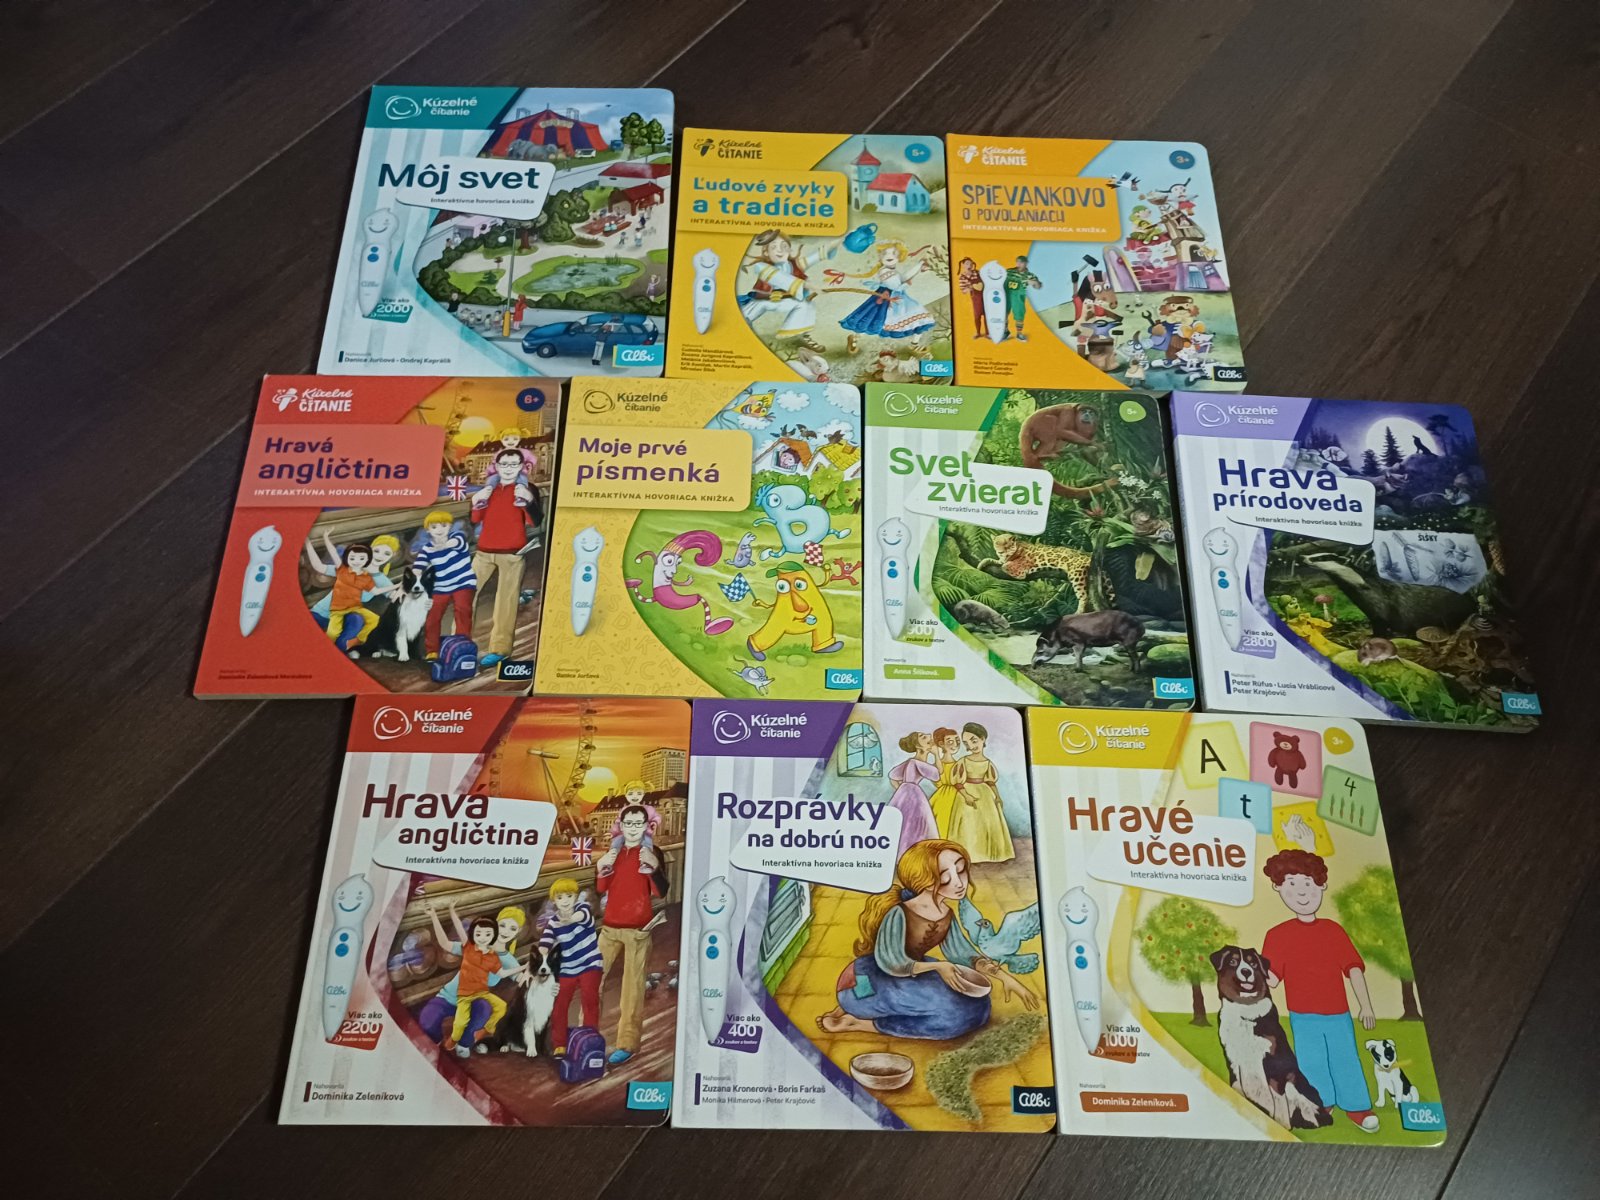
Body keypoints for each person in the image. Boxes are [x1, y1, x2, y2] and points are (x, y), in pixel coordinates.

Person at [817, 840, 1038, 1038]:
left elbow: (963, 955)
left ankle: (864, 1016)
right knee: (955, 1017)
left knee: (979, 1007)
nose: (959, 882)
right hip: (867, 982)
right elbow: (891, 962)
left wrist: (1005, 978)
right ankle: (858, 1022)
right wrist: (939, 967)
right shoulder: (900, 913)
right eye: (946, 877)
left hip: (916, 973)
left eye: (961, 870)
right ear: (924, 880)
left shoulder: (945, 913)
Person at [1261, 849, 1381, 1133]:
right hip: (1302, 1016)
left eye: (1308, 883)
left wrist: (1366, 1005)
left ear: (1322, 886)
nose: (1302, 892)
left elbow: (1353, 969)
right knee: (1311, 1062)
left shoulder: (1333, 931)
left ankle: (1358, 1107)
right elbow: (1272, 980)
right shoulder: (1277, 935)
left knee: (1345, 1058)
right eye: (1291, 884)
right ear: (1278, 888)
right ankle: (1320, 1104)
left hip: (1338, 1013)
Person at [595, 802, 664, 1064]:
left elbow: (661, 892)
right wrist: (600, 868)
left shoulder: (651, 852)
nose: (633, 828)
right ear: (621, 826)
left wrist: (654, 867)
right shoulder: (613, 852)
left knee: (632, 990)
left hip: (638, 931)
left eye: (638, 823)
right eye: (629, 823)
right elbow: (601, 888)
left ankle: (627, 1043)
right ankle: (587, 1034)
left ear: (646, 826)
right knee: (591, 982)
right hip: (609, 928)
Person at [418, 901, 527, 1057]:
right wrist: (434, 916)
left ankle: (464, 1042)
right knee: (427, 1021)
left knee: (484, 1010)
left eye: (513, 928)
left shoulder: (507, 960)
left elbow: (521, 978)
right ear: (495, 924)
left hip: (474, 1000)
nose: (506, 931)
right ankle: (436, 1043)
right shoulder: (474, 946)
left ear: (519, 931)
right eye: (503, 925)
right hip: (448, 996)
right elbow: (446, 944)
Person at [470, 449, 542, 667]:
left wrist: (528, 501)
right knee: (464, 597)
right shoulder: (489, 489)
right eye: (504, 464)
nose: (508, 468)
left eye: (513, 464)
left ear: (521, 467)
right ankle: (459, 643)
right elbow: (475, 519)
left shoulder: (528, 489)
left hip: (512, 554)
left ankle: (499, 650)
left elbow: (535, 522)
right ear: (497, 466)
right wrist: (475, 502)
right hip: (483, 552)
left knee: (506, 603)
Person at [739, 229, 835, 353]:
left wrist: (837, 242)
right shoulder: (761, 267)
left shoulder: (793, 265)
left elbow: (816, 256)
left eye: (784, 246)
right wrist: (811, 286)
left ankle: (803, 335)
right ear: (766, 252)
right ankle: (741, 330)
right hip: (764, 299)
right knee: (745, 314)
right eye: (774, 247)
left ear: (789, 249)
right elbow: (779, 277)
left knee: (806, 305)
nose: (780, 250)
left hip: (785, 300)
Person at [306, 532, 400, 650]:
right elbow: (319, 567)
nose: (380, 556)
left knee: (359, 620)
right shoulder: (350, 568)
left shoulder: (382, 580)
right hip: (321, 613)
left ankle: (343, 647)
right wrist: (308, 544)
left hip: (346, 615)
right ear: (370, 549)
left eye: (387, 553)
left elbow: (395, 596)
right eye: (377, 551)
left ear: (393, 555)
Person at [540, 880, 604, 1053]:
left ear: (575, 897)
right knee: (559, 1005)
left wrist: (569, 919)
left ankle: (591, 1039)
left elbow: (582, 916)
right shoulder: (552, 922)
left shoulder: (583, 908)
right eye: (560, 897)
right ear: (554, 900)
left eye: (569, 896)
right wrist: (539, 960)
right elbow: (544, 945)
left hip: (590, 963)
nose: (565, 901)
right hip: (567, 968)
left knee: (589, 1000)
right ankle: (559, 1044)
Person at [839, 241, 935, 348]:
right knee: (872, 321)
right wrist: (907, 283)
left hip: (897, 297)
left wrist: (919, 265)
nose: (889, 256)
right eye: (885, 253)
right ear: (880, 257)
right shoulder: (884, 271)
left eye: (894, 253)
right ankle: (855, 338)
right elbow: (896, 286)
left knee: (918, 314)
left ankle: (914, 344)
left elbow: (904, 278)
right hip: (886, 299)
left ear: (900, 257)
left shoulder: (893, 271)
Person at [946, 722, 1015, 864]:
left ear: (982, 739)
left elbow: (991, 782)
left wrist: (998, 797)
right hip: (967, 793)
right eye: (967, 743)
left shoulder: (988, 763)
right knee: (969, 824)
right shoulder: (963, 761)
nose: (971, 746)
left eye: (974, 740)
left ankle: (989, 854)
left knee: (989, 823)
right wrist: (966, 795)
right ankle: (969, 855)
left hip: (985, 795)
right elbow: (957, 782)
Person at [415, 510, 475, 660]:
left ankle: (462, 643)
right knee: (432, 616)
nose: (439, 530)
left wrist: (444, 545)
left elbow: (456, 543)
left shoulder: (457, 536)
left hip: (463, 582)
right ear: (428, 530)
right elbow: (418, 567)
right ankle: (432, 650)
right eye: (434, 527)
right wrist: (410, 581)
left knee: (462, 610)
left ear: (450, 526)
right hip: (441, 586)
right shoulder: (426, 549)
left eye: (444, 525)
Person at [322, 542, 390, 652]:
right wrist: (326, 540)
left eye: (361, 559)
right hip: (338, 609)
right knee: (333, 633)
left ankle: (357, 640)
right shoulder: (343, 570)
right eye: (353, 558)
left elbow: (376, 591)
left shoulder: (367, 577)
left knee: (373, 620)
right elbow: (332, 555)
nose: (357, 562)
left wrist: (397, 587)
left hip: (355, 607)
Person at [887, 731, 939, 857]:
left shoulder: (911, 762)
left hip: (905, 791)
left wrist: (901, 790)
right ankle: (911, 854)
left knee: (907, 824)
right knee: (916, 823)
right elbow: (937, 775)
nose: (928, 736)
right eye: (923, 737)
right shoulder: (915, 763)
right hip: (913, 793)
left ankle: (906, 854)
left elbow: (892, 776)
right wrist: (936, 755)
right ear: (918, 746)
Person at [926, 727, 962, 834]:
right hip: (942, 799)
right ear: (941, 744)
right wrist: (936, 755)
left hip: (959, 796)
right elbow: (938, 781)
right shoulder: (936, 765)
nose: (955, 744)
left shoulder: (961, 764)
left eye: (957, 741)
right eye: (950, 742)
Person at [1004, 255, 1042, 341]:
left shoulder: (1030, 275)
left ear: (1026, 263)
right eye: (1017, 262)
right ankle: (1005, 331)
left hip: (1018, 297)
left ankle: (1019, 334)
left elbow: (1038, 286)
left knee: (1019, 316)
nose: (1019, 264)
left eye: (1021, 262)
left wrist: (1035, 283)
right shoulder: (1008, 271)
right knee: (1003, 314)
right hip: (1006, 295)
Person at [956, 256, 986, 337]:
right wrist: (971, 287)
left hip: (984, 295)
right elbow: (963, 290)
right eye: (967, 264)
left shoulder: (977, 272)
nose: (969, 265)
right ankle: (978, 332)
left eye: (971, 264)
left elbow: (985, 281)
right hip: (975, 297)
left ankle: (988, 333)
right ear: (963, 265)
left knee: (987, 314)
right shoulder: (962, 277)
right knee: (977, 315)